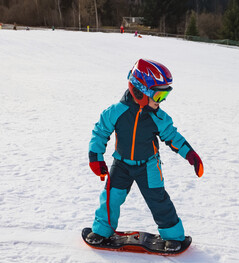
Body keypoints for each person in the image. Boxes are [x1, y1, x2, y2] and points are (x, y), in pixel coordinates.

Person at [87, 59, 204, 251]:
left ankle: (173, 235)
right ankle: (102, 230)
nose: (161, 101)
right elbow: (100, 132)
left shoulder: (157, 117)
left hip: (149, 166)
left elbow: (172, 136)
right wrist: (96, 157)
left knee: (157, 199)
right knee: (110, 197)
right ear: (139, 91)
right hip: (121, 164)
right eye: (158, 95)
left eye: (164, 95)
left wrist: (190, 154)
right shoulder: (116, 112)